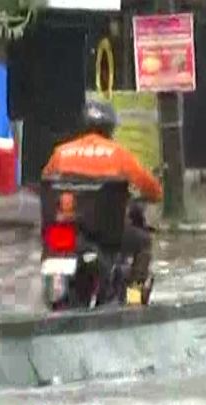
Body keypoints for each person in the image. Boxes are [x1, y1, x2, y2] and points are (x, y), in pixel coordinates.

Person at [42, 99, 163, 292]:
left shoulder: (61, 152)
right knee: (144, 243)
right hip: (108, 232)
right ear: (111, 127)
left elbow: (46, 182)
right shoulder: (120, 155)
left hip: (66, 230)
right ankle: (134, 296)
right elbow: (154, 190)